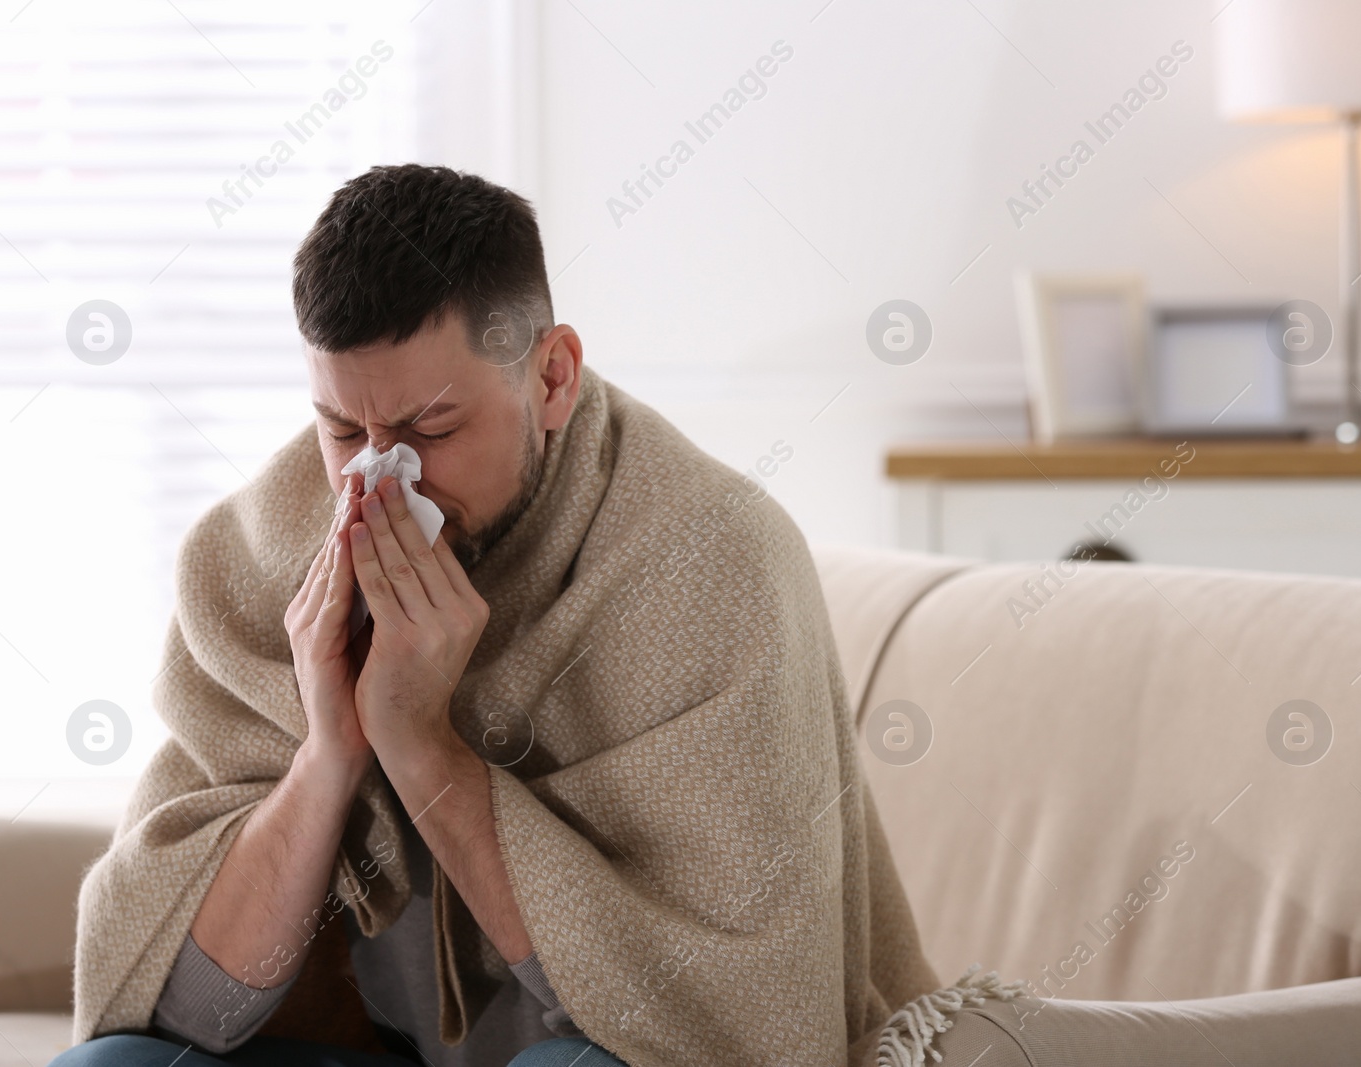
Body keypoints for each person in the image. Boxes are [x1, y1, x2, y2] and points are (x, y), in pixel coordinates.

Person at [54, 164, 939, 1067]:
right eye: (342, 430)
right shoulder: (251, 556)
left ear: (552, 378)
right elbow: (187, 1009)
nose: (380, 482)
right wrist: (330, 751)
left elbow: (723, 1026)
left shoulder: (711, 560)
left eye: (433, 431)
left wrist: (421, 743)